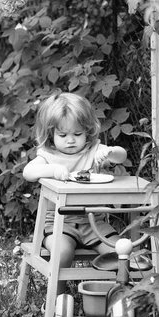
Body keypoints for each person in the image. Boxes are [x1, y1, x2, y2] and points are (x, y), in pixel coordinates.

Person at [23, 91, 128, 295]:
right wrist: (52, 170)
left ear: (87, 132)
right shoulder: (48, 155)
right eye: (63, 135)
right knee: (63, 251)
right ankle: (56, 297)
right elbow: (28, 172)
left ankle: (115, 297)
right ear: (51, 135)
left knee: (120, 252)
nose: (70, 140)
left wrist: (109, 152)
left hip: (94, 223)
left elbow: (121, 157)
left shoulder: (93, 151)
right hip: (59, 224)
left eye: (77, 134)